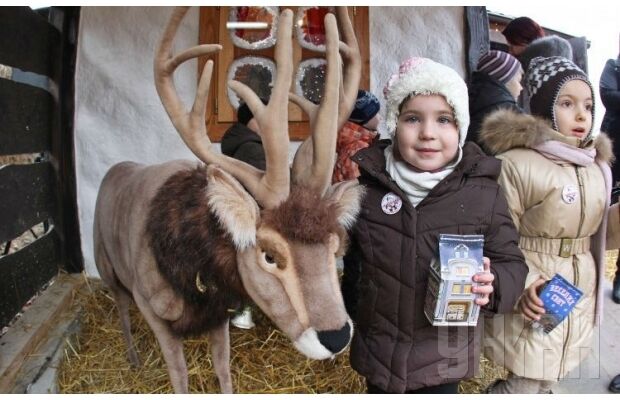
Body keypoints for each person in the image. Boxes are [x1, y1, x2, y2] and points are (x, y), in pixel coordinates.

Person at [342, 57, 528, 394]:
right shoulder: (367, 190)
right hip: (380, 354)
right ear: (394, 124)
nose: (428, 132)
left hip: (444, 358)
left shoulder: (483, 193)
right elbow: (350, 262)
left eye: (444, 120)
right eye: (413, 118)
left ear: (460, 128)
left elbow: (511, 262)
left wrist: (494, 284)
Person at [479, 56, 616, 393]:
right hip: (535, 282)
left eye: (587, 105)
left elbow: (602, 233)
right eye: (567, 104)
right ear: (543, 108)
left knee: (548, 375)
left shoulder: (596, 166)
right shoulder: (516, 163)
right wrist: (523, 282)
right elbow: (496, 232)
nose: (582, 114)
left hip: (577, 286)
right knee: (525, 382)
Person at [220, 100, 268, 329]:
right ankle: (241, 315)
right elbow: (262, 186)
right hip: (251, 217)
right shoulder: (252, 148)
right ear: (250, 121)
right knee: (246, 268)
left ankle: (240, 312)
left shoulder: (245, 144)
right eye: (261, 118)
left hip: (242, 215)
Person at [467, 50, 523, 147]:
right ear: (505, 79)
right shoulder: (508, 109)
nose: (521, 88)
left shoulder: (473, 96)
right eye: (518, 81)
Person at [332, 90, 380, 183]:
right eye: (376, 113)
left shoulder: (358, 142)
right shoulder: (357, 150)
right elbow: (359, 187)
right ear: (364, 119)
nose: (380, 117)